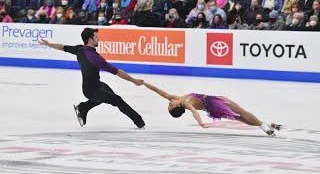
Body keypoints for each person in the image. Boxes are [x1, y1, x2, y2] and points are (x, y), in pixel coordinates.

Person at [38, 28, 145, 128]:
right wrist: (133, 80)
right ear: (90, 39)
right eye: (96, 37)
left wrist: (49, 44)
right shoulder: (95, 58)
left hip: (98, 85)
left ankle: (83, 108)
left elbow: (62, 47)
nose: (99, 39)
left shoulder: (79, 49)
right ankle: (139, 121)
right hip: (91, 90)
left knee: (107, 96)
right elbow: (116, 72)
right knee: (117, 100)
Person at [143, 82, 282, 136]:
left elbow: (158, 91)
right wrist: (201, 123)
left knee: (240, 118)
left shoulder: (178, 98)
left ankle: (267, 125)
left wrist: (143, 83)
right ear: (176, 107)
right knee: (242, 112)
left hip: (211, 109)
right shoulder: (185, 102)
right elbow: (194, 111)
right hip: (214, 102)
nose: (169, 103)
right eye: (169, 106)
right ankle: (264, 126)